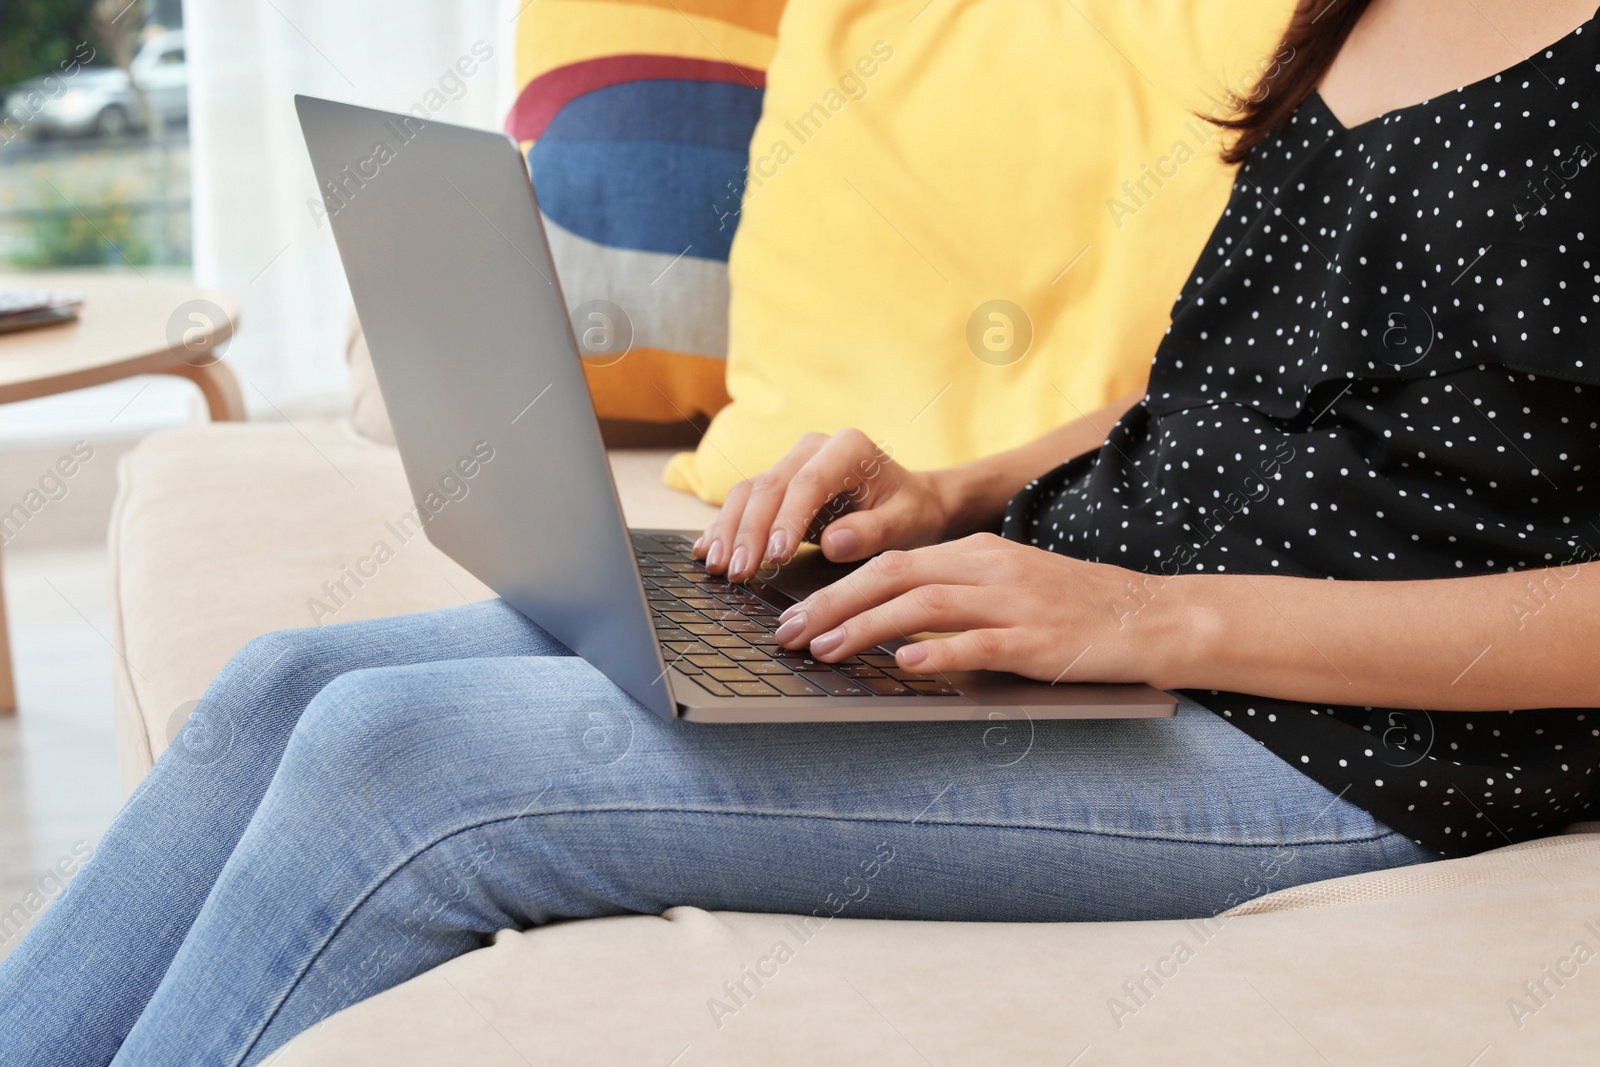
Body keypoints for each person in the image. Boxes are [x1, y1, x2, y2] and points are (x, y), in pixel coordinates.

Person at [3, 0, 1597, 1062]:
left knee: (401, 765)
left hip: (1341, 728)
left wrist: (1139, 619)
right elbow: (1241, 377)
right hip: (1071, 601)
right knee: (284, 689)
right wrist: (953, 494)